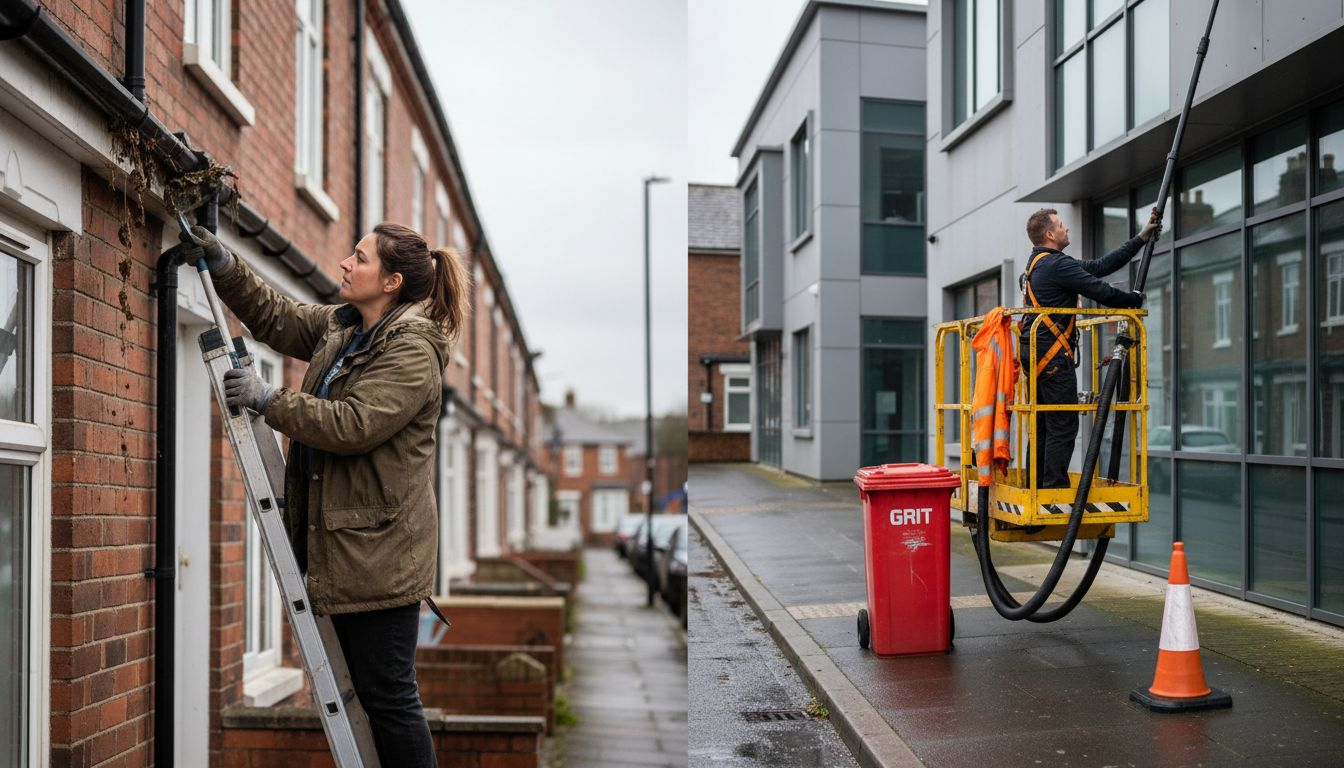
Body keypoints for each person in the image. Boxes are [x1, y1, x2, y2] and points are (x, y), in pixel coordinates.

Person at [180, 221, 469, 768]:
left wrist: (269, 398)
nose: (344, 263)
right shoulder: (348, 328)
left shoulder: (412, 350)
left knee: (391, 700)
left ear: (391, 281)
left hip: (380, 563)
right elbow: (279, 317)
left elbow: (354, 424)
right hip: (349, 551)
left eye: (359, 258)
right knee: (373, 698)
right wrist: (223, 265)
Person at [1019, 207, 1158, 489]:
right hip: (1053, 357)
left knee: (1043, 424)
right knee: (1063, 424)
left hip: (1036, 354)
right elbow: (1101, 290)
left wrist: (1141, 238)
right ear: (1049, 234)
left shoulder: (1037, 265)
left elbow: (1100, 266)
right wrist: (1132, 300)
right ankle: (1053, 488)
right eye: (1061, 225)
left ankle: (1038, 485)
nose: (1066, 228)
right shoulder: (1057, 265)